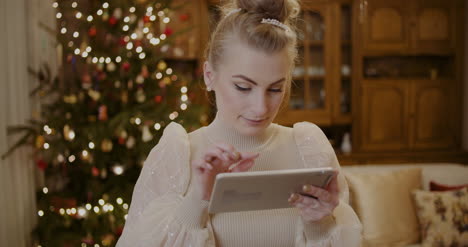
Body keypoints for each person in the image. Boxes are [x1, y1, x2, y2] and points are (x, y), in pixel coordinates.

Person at [116, 0, 362, 246]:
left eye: (276, 88)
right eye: (243, 87)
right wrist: (197, 201)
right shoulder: (178, 155)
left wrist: (319, 225)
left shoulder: (310, 149)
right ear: (209, 75)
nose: (261, 107)